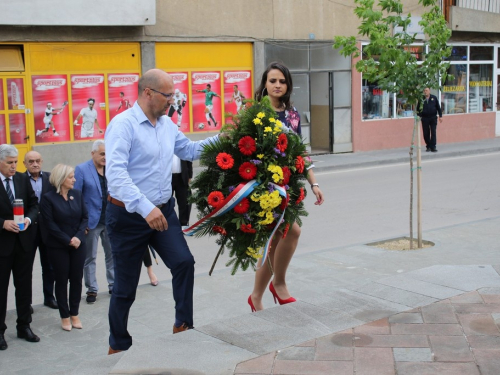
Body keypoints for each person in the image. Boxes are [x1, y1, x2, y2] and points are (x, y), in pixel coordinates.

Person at [105, 69, 220, 354]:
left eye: (173, 95)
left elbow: (191, 150)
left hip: (163, 211)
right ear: (147, 93)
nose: (172, 101)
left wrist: (223, 138)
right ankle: (118, 344)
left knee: (183, 263)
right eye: (167, 95)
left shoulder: (167, 124)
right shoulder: (123, 125)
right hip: (129, 217)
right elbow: (116, 175)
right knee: (125, 288)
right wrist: (145, 208)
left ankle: (183, 325)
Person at [248, 62, 325, 312]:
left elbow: (300, 151)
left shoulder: (292, 114)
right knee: (287, 233)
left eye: (282, 81)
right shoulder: (255, 112)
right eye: (273, 81)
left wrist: (314, 182)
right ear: (265, 84)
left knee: (284, 235)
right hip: (263, 188)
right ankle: (273, 286)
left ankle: (263, 292)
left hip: (287, 185)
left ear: (288, 85)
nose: (277, 85)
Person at [0, 144, 40, 350]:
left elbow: (34, 205)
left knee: (24, 287)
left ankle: (24, 326)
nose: (14, 166)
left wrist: (28, 219)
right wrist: (3, 223)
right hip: (2, 246)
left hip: (24, 243)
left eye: (16, 162)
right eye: (9, 163)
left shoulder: (22, 179)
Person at [40, 164, 88, 331]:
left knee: (76, 279)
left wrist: (78, 237)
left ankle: (74, 313)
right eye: (70, 177)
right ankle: (64, 315)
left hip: (78, 244)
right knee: (61, 280)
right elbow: (50, 224)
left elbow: (85, 218)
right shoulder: (48, 198)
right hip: (58, 246)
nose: (74, 179)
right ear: (61, 179)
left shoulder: (77, 194)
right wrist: (68, 240)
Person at [74, 140, 114, 303]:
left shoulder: (111, 168)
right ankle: (92, 289)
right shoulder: (82, 169)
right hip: (91, 223)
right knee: (89, 257)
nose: (105, 157)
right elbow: (77, 197)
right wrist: (81, 224)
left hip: (110, 220)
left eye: (107, 154)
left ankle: (113, 285)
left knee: (112, 255)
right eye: (102, 154)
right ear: (93, 154)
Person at [23, 151, 57, 310]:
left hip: (47, 230)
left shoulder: (50, 179)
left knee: (49, 266)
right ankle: (26, 302)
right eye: (31, 161)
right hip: (27, 230)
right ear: (25, 164)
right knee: (25, 269)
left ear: (42, 161)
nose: (35, 164)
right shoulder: (20, 180)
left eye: (37, 161)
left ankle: (49, 297)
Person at [171, 154, 193, 230]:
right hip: (167, 178)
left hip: (182, 177)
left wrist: (190, 175)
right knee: (166, 202)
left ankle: (183, 224)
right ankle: (167, 225)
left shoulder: (180, 144)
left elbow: (188, 159)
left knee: (184, 201)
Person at [418, 87, 443, 152]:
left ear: (429, 91)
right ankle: (428, 146)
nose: (425, 91)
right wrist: (419, 116)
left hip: (433, 118)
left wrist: (440, 116)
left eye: (426, 90)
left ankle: (433, 147)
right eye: (424, 90)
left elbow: (438, 107)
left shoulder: (434, 98)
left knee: (433, 132)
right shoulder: (421, 99)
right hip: (425, 118)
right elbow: (418, 109)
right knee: (426, 133)